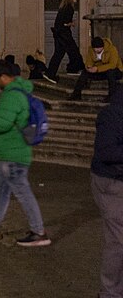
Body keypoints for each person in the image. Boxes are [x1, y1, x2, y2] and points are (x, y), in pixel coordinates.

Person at [0, 59, 51, 246]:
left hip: (13, 154)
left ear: (5, 77)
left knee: (22, 193)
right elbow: (9, 118)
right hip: (10, 153)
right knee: (2, 192)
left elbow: (1, 125)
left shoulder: (11, 96)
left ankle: (39, 231)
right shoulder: (17, 92)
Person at [91, 83, 123, 298]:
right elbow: (107, 151)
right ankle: (110, 293)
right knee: (118, 240)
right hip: (110, 182)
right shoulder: (111, 115)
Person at [71, 36, 123, 102]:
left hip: (115, 70)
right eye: (95, 49)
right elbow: (88, 62)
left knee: (111, 72)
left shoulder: (112, 49)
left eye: (99, 48)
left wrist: (97, 68)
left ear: (103, 47)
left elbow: (112, 65)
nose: (97, 50)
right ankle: (76, 94)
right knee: (84, 73)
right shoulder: (91, 50)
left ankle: (111, 96)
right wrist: (89, 68)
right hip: (100, 71)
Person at [47, 0, 84, 79]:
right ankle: (74, 69)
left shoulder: (63, 7)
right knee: (74, 51)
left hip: (58, 34)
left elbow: (59, 22)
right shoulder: (69, 8)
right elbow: (64, 23)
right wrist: (71, 23)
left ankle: (50, 73)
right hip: (64, 34)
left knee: (58, 54)